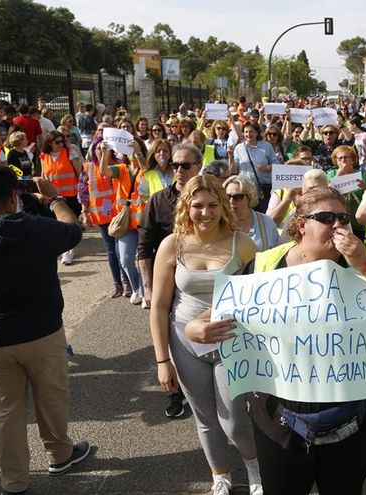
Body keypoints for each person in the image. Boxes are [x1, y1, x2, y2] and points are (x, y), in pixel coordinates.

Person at [186, 186, 366, 494]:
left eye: (343, 218)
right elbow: (213, 315)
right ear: (301, 225)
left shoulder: (362, 265)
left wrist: (365, 262)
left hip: (351, 421)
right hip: (279, 421)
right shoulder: (265, 265)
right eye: (326, 217)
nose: (338, 225)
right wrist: (194, 329)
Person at [0, 165, 91, 494]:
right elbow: (73, 229)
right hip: (42, 331)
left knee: (3, 412)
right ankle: (59, 454)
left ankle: (13, 481)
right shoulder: (36, 228)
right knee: (52, 398)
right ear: (14, 195)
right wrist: (55, 196)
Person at [150, 175, 262, 495]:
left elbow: (260, 298)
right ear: (186, 207)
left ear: (224, 205)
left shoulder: (242, 243)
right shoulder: (173, 244)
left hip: (233, 339)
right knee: (204, 417)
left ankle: (254, 469)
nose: (205, 212)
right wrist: (162, 360)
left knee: (234, 420)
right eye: (197, 205)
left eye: (213, 205)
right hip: (184, 342)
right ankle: (220, 476)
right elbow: (158, 307)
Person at [138, 141, 202, 417]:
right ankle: (176, 393)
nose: (178, 169)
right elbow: (143, 245)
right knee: (169, 338)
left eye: (185, 165)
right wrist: (148, 286)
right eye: (175, 165)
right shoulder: (158, 201)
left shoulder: (212, 197)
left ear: (198, 167)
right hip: (169, 283)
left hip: (201, 281)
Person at [97, 137, 146, 306]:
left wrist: (138, 153)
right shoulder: (122, 169)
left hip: (145, 223)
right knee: (125, 260)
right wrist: (104, 152)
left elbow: (145, 167)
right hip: (126, 224)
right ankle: (138, 288)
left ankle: (146, 290)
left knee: (147, 259)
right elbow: (104, 171)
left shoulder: (147, 168)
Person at [39, 130, 82, 265]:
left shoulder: (70, 153)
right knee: (56, 223)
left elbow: (79, 173)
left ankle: (68, 250)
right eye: (57, 142)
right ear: (50, 143)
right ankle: (66, 249)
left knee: (68, 223)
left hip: (70, 195)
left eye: (62, 142)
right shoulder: (44, 156)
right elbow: (43, 176)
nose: (61, 144)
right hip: (52, 196)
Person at [229, 121, 278, 213]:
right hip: (245, 191)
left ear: (257, 132)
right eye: (246, 132)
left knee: (264, 216)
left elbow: (277, 166)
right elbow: (233, 170)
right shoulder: (239, 148)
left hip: (262, 191)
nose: (248, 134)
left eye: (251, 131)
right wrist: (230, 156)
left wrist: (267, 167)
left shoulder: (266, 146)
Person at [223, 175, 278, 251]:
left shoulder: (266, 222)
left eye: (238, 197)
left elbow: (276, 253)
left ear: (250, 197)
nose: (231, 201)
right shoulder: (218, 223)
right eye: (227, 196)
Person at [326, 146, 366, 240]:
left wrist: (365, 187)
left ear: (353, 160)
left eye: (346, 157)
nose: (343, 160)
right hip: (338, 219)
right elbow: (326, 193)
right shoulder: (331, 174)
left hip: (357, 220)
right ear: (336, 161)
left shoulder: (361, 175)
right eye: (340, 158)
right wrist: (338, 177)